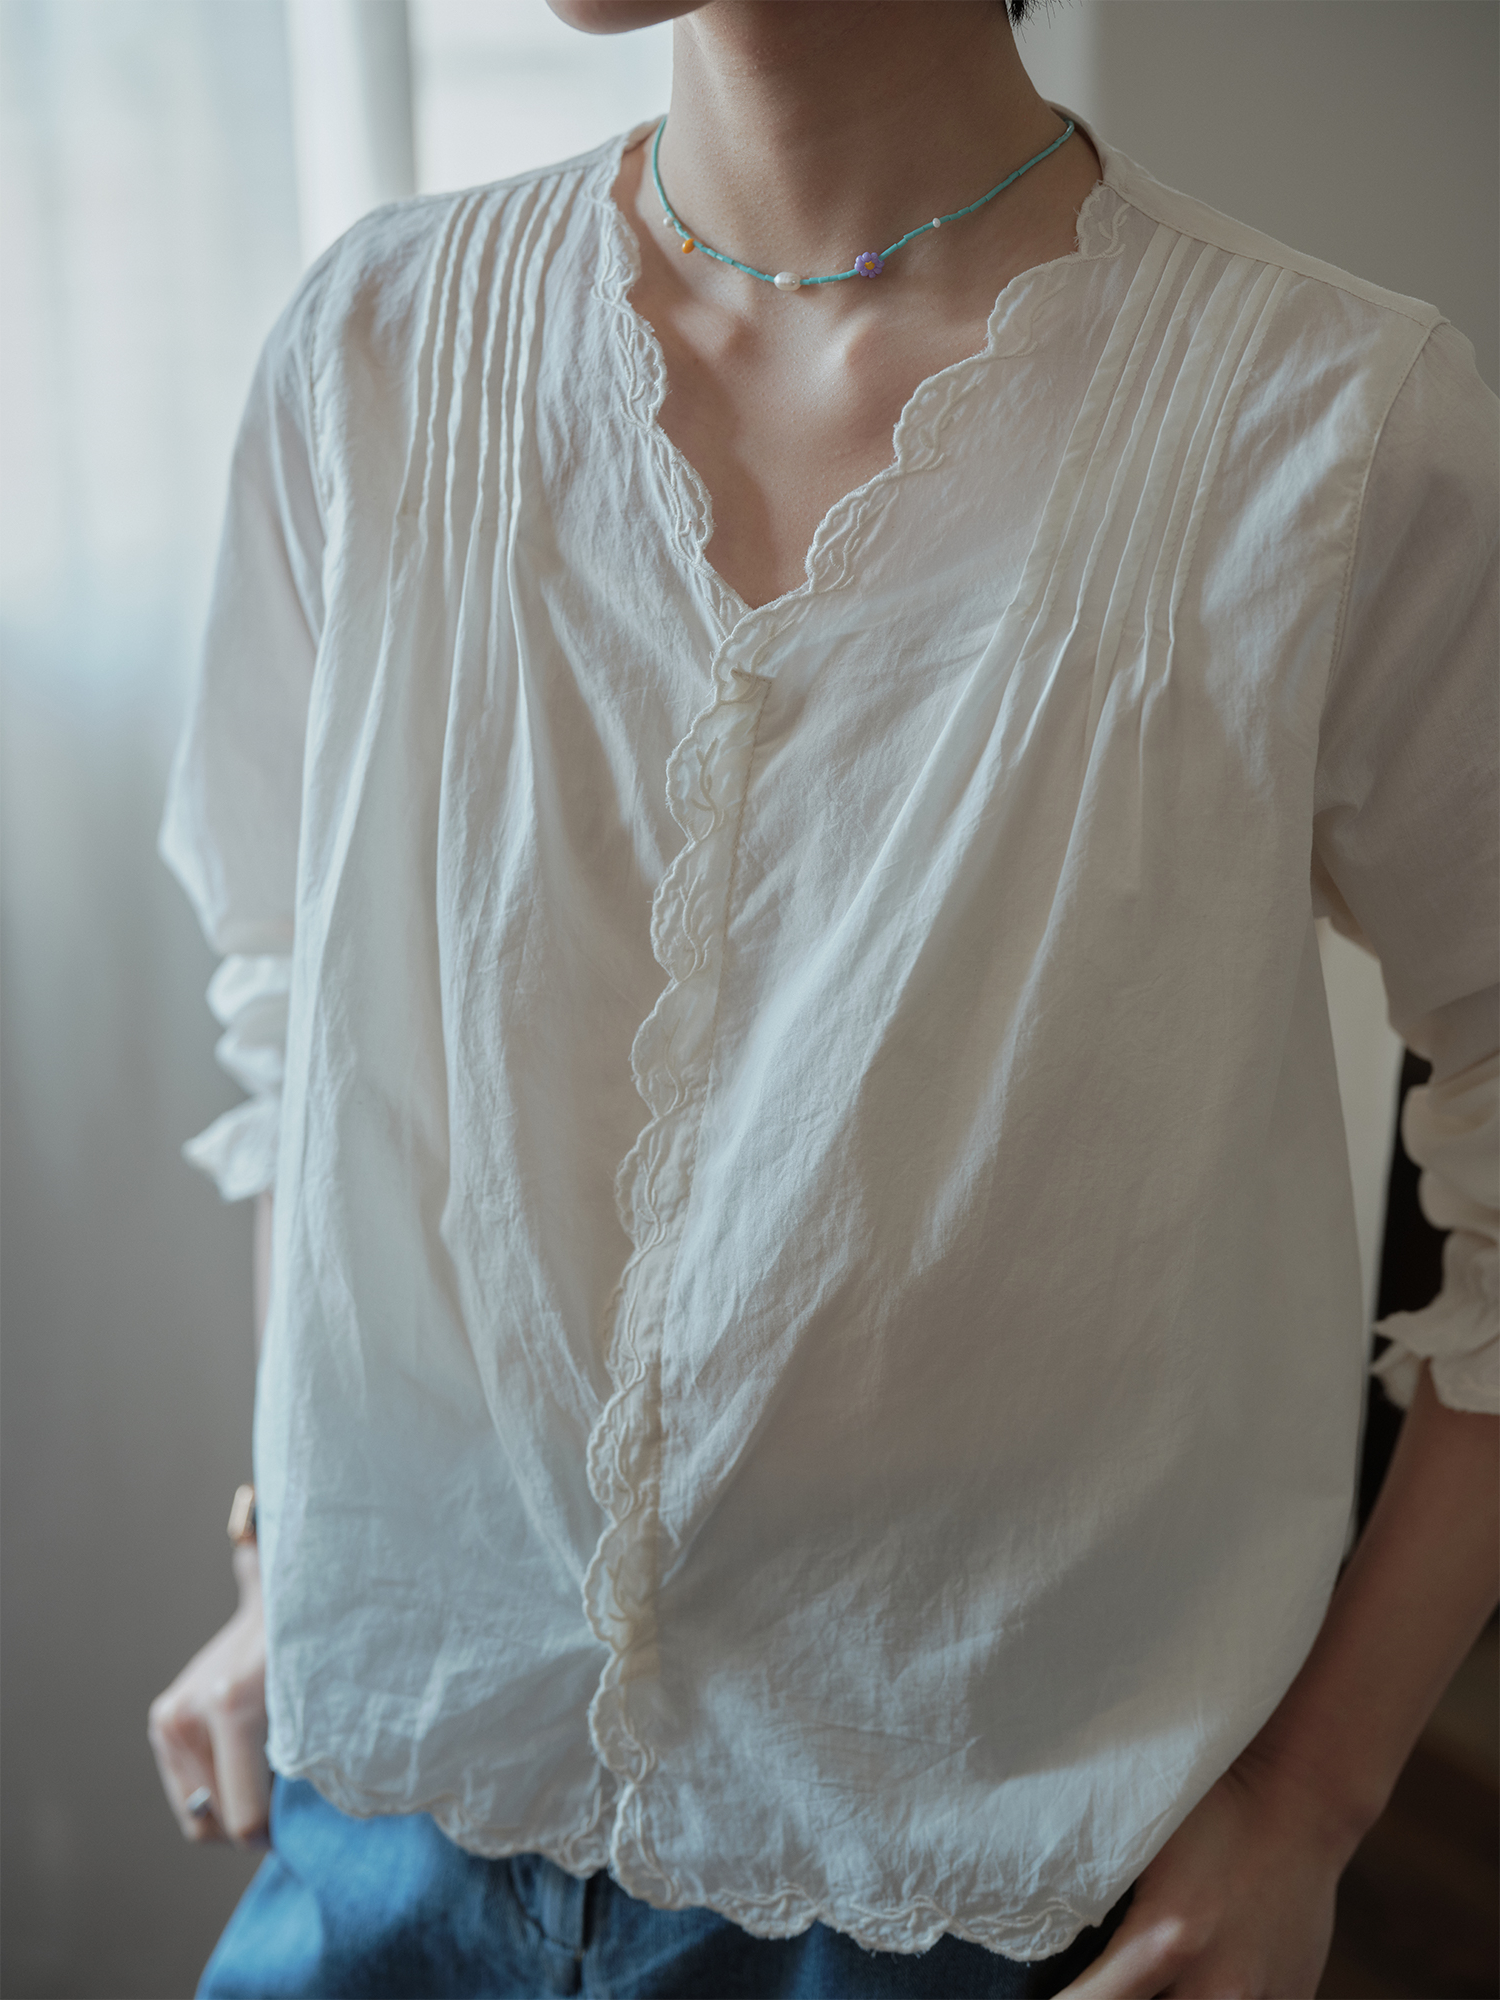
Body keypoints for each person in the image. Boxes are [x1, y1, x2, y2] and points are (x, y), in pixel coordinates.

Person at [148, 2, 1500, 1994]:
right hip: (389, 1813)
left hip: (959, 1884)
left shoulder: (1329, 424)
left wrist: (1313, 1798)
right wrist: (291, 1564)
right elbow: (305, 1025)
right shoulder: (376, 344)